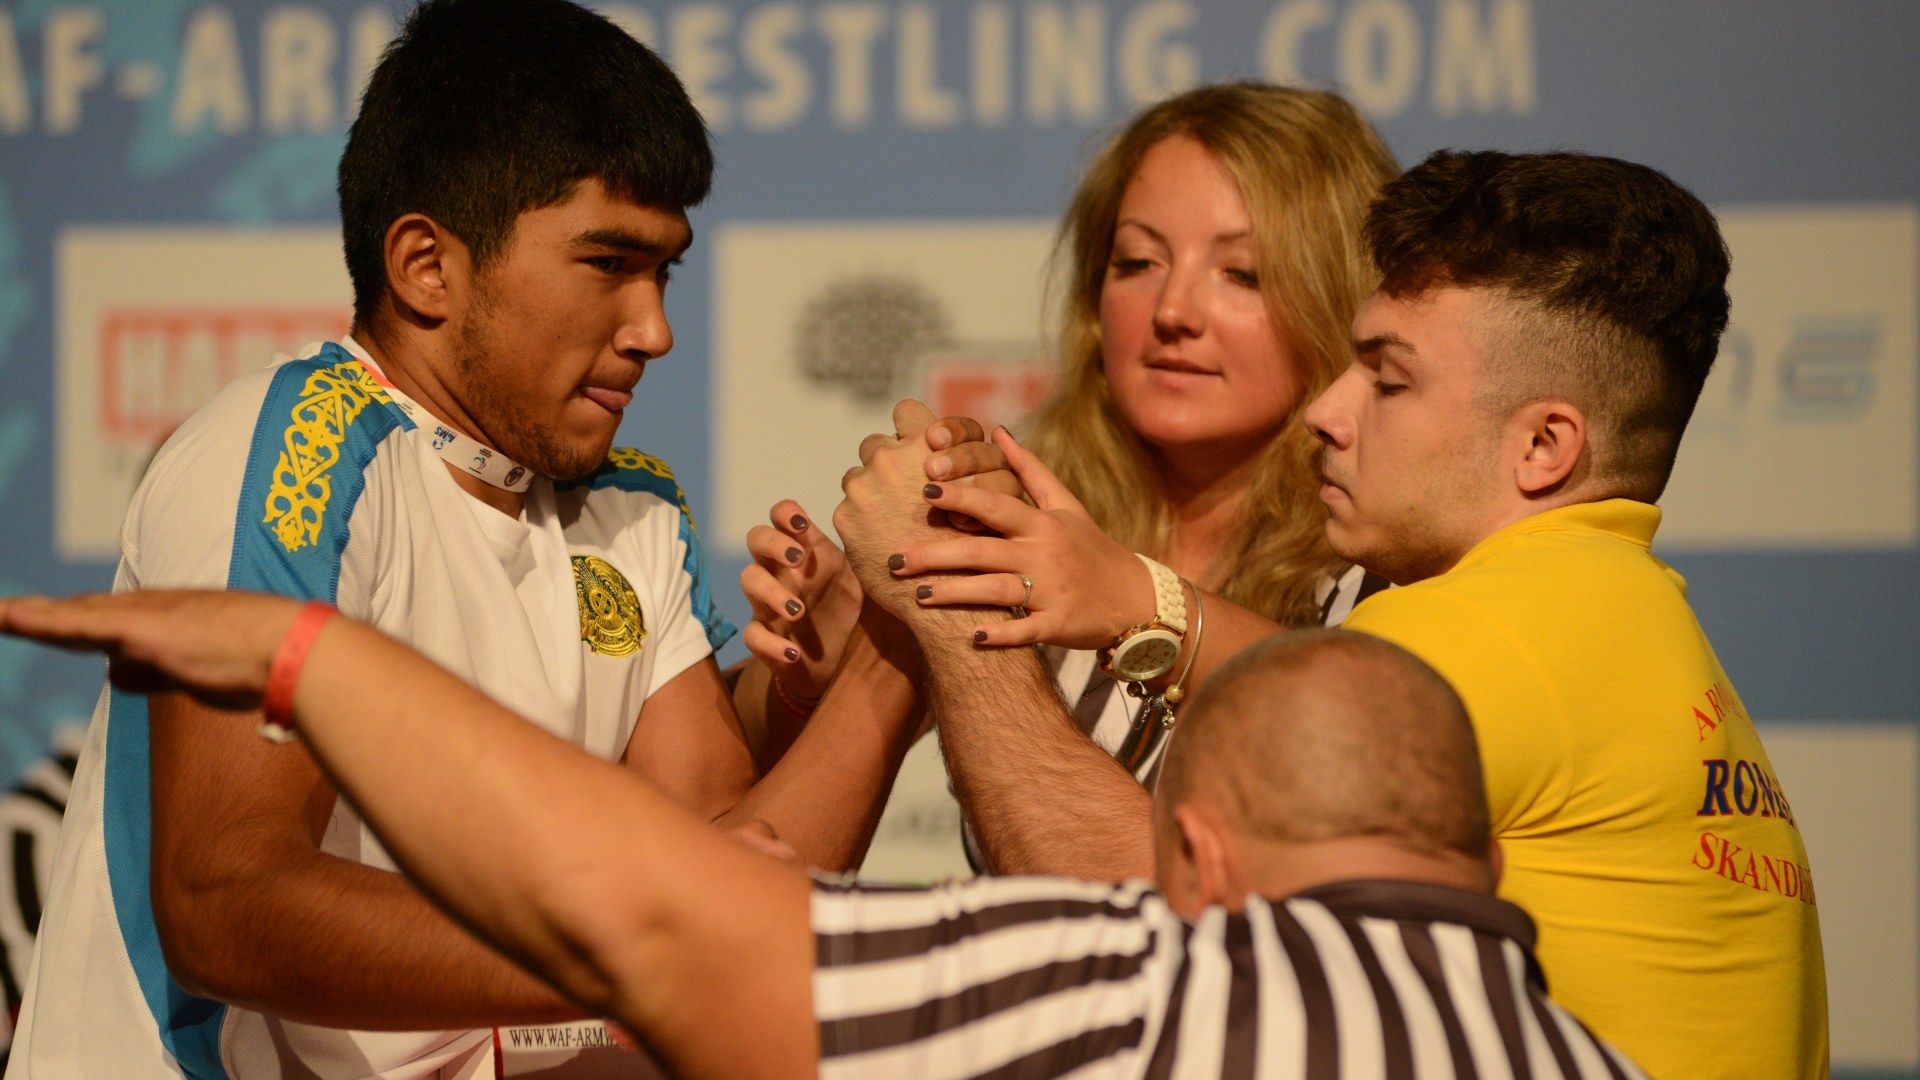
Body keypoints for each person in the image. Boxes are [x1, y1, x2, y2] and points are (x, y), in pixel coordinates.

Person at [5, 2, 927, 1076]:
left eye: (665, 270)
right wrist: (619, 944)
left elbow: (735, 868)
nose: (655, 329)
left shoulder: (632, 505)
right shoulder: (290, 455)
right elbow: (225, 898)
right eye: (608, 263)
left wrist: (884, 653)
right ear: (426, 266)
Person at [872, 150, 1829, 1077]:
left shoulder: (1473, 635)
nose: (1327, 412)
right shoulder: (1623, 621)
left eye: (1389, 379)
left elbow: (1150, 930)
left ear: (1544, 444)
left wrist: (958, 603)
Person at [0, 591, 1648, 1079]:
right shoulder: (1606, 1064)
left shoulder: (1141, 984)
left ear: (1195, 859)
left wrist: (312, 658)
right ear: (1483, 864)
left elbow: (651, 917)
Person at [738, 84, 1398, 869]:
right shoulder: (1020, 515)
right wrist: (817, 673)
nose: (1173, 311)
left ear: (1343, 297)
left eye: (1243, 274)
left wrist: (1134, 600)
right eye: (1138, 262)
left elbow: (1384, 727)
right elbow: (753, 831)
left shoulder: (1386, 559)